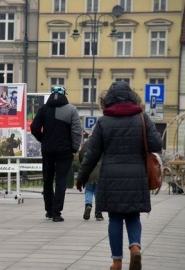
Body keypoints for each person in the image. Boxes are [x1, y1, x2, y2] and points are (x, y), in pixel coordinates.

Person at [76, 81, 162, 270]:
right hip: (136, 174)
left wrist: (81, 177)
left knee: (115, 218)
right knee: (133, 216)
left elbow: (92, 154)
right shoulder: (142, 118)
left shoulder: (103, 122)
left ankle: (116, 262)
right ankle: (135, 248)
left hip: (111, 177)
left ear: (108, 100)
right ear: (132, 97)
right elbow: (157, 144)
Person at [30, 85, 81, 222]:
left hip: (47, 150)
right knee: (61, 181)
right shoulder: (72, 110)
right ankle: (57, 213)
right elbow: (76, 131)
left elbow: (34, 128)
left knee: (47, 180)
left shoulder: (43, 109)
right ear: (65, 94)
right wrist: (74, 148)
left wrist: (44, 140)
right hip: (65, 151)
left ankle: (49, 210)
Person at [79, 90, 108, 221]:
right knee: (99, 192)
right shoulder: (103, 143)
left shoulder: (87, 144)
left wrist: (82, 167)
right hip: (101, 172)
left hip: (90, 172)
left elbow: (81, 155)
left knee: (89, 190)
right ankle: (98, 212)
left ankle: (88, 204)